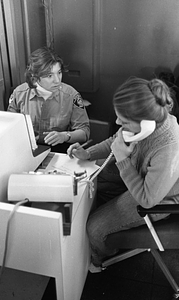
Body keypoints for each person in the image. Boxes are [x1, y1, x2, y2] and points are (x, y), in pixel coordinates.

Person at [67, 77, 179, 272]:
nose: (118, 122)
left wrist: (123, 161)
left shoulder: (168, 148)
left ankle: (103, 256)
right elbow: (117, 139)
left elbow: (147, 199)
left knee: (95, 228)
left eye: (124, 121)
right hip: (139, 172)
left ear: (146, 125)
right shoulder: (148, 119)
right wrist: (87, 154)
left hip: (157, 197)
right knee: (90, 177)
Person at [7, 46, 90, 153]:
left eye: (59, 73)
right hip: (27, 149)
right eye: (49, 75)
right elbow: (9, 127)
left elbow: (85, 132)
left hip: (60, 151)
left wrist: (65, 136)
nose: (57, 80)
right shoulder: (19, 93)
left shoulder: (71, 95)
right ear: (35, 77)